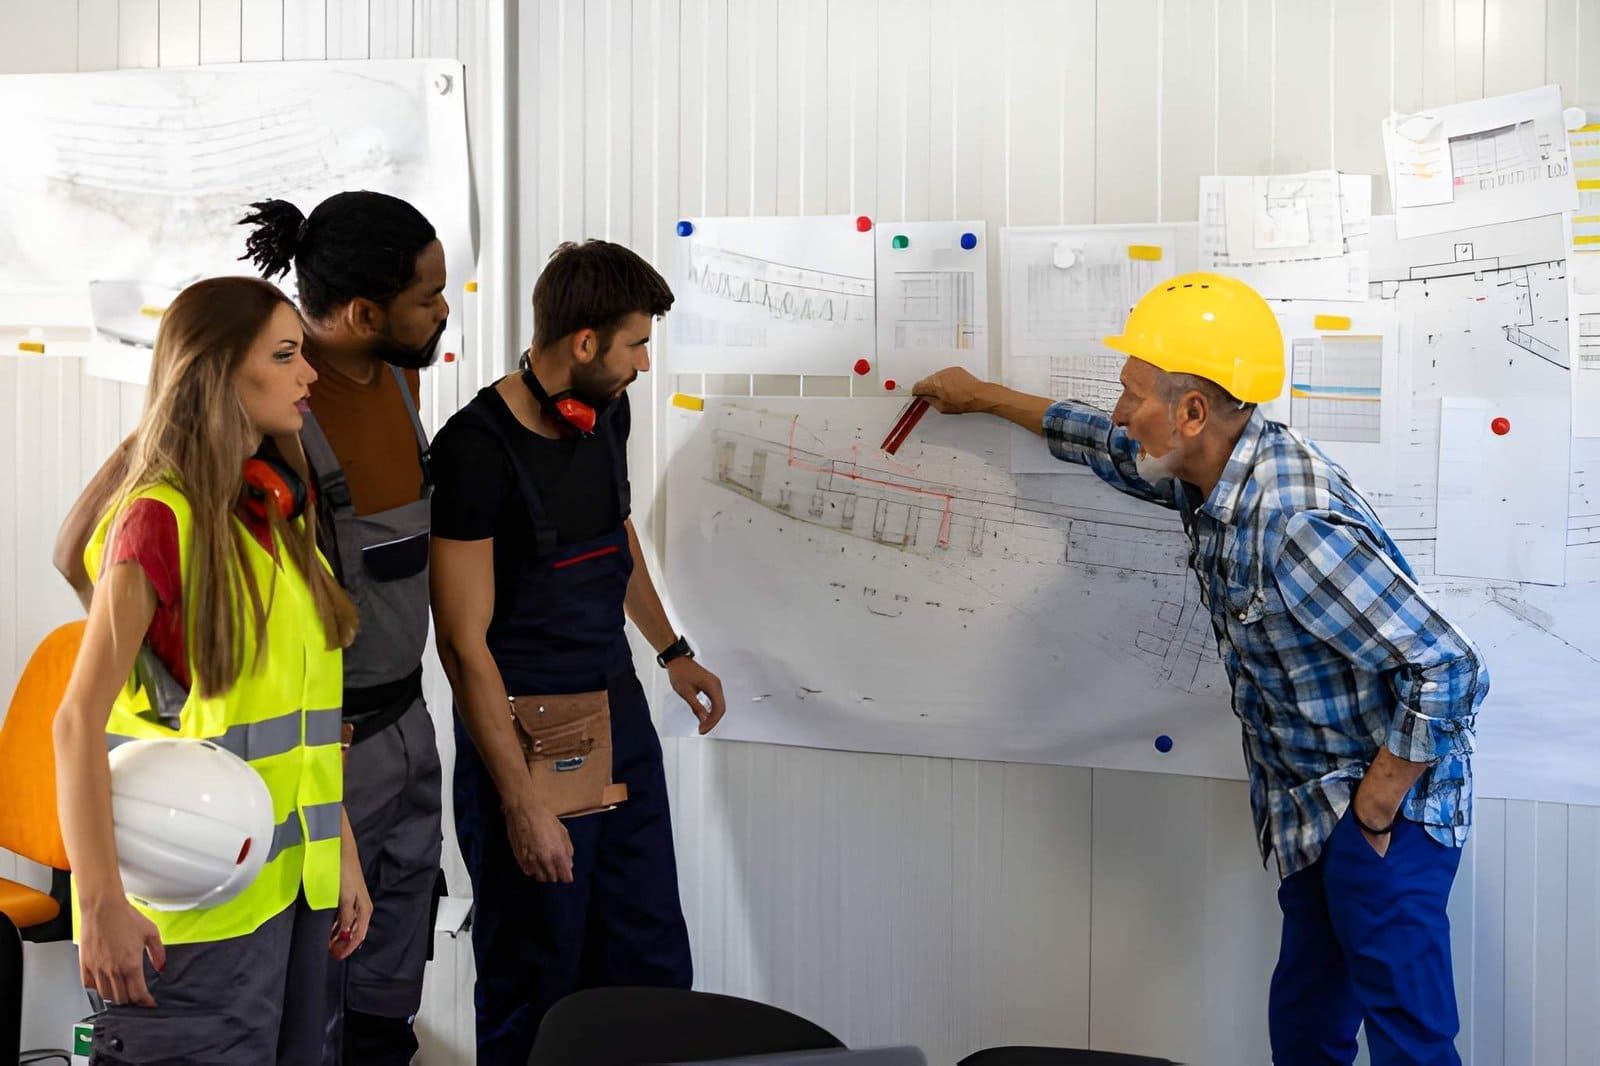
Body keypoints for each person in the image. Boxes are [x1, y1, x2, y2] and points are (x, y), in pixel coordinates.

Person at [914, 272, 1488, 1066]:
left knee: (1409, 1046)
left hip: (1383, 822)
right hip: (1315, 814)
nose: (1121, 413)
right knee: (1307, 1030)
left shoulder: (1287, 522)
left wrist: (1378, 809)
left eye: (1133, 394)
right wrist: (984, 396)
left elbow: (1450, 666)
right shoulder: (1207, 470)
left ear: (1190, 412)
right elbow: (1102, 443)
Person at [55, 191, 450, 1065]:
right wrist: (100, 904)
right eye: (284, 356)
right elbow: (76, 722)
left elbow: (306, 726)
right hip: (196, 909)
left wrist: (338, 853)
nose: (308, 373)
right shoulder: (159, 521)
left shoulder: (271, 516)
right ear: (221, 374)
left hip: (289, 897)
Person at [429, 239, 727, 1064]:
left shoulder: (607, 412)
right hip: (525, 728)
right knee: (538, 975)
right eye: (634, 343)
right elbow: (461, 646)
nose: (643, 363)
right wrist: (522, 804)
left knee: (648, 958)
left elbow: (613, 533)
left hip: (616, 708)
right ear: (585, 343)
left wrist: (672, 651)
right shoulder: (473, 452)